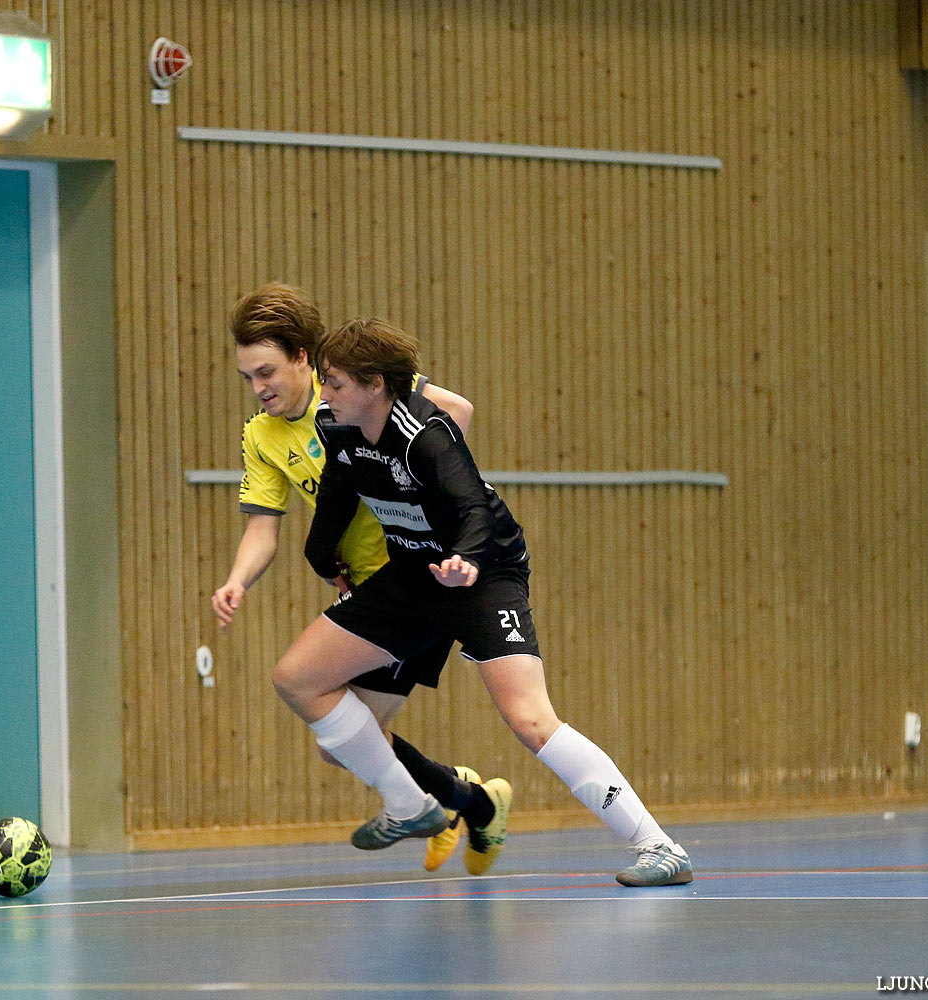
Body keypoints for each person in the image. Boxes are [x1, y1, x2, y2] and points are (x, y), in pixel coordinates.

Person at [273, 316, 693, 887]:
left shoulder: (426, 434)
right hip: (413, 577)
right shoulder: (338, 428)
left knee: (530, 720)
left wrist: (465, 559)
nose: (324, 394)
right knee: (299, 680)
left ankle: (658, 846)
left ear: (375, 384)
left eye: (336, 382)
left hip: (483, 573)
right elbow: (340, 494)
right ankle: (413, 804)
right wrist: (324, 559)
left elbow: (473, 506)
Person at [211, 283, 511, 874]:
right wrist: (237, 581)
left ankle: (433, 804)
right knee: (350, 742)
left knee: (340, 724)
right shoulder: (261, 436)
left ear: (304, 357)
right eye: (247, 377)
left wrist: (421, 489)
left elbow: (458, 412)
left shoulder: (350, 389)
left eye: (267, 371)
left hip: (415, 581)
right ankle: (469, 801)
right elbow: (263, 529)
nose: (258, 387)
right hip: (365, 590)